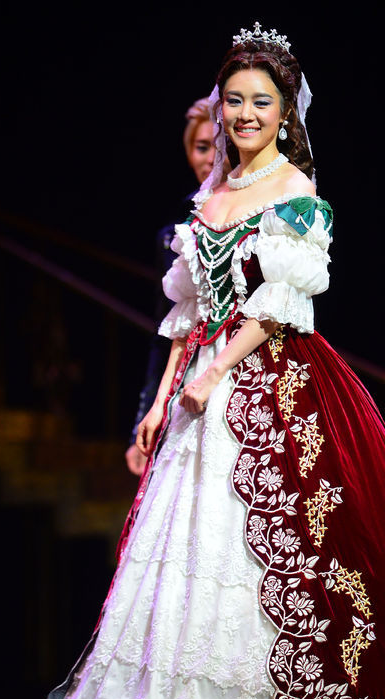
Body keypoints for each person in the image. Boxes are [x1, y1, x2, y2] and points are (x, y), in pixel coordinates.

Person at [43, 22, 385, 699]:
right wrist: (163, 397)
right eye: (234, 101)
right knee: (186, 535)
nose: (245, 114)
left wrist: (216, 370)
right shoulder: (214, 190)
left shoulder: (295, 190)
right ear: (219, 107)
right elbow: (189, 310)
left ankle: (267, 694)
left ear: (285, 111)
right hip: (200, 383)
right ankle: (180, 692)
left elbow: (280, 302)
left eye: (260, 101)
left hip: (270, 378)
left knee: (275, 540)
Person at [125, 97, 229, 476]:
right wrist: (145, 415)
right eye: (201, 147)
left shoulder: (261, 213)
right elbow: (164, 333)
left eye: (217, 145)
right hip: (186, 380)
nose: (210, 157)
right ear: (188, 153)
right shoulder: (174, 236)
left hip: (241, 370)